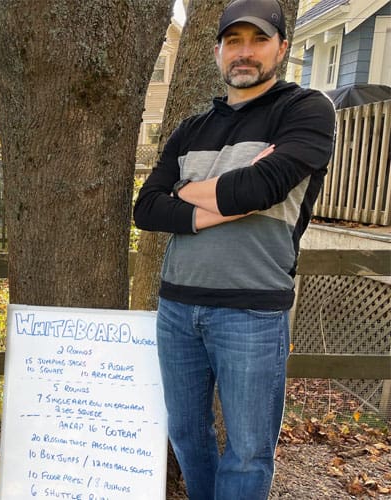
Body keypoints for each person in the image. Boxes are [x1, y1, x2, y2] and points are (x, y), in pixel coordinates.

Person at [133, 0, 336, 498]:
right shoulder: (191, 128)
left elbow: (261, 190)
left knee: (247, 451)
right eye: (234, 41)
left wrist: (188, 191)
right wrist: (228, 196)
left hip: (252, 310)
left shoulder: (307, 110)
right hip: (177, 308)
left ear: (282, 47)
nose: (244, 52)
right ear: (218, 51)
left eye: (259, 40)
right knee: (185, 435)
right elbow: (146, 209)